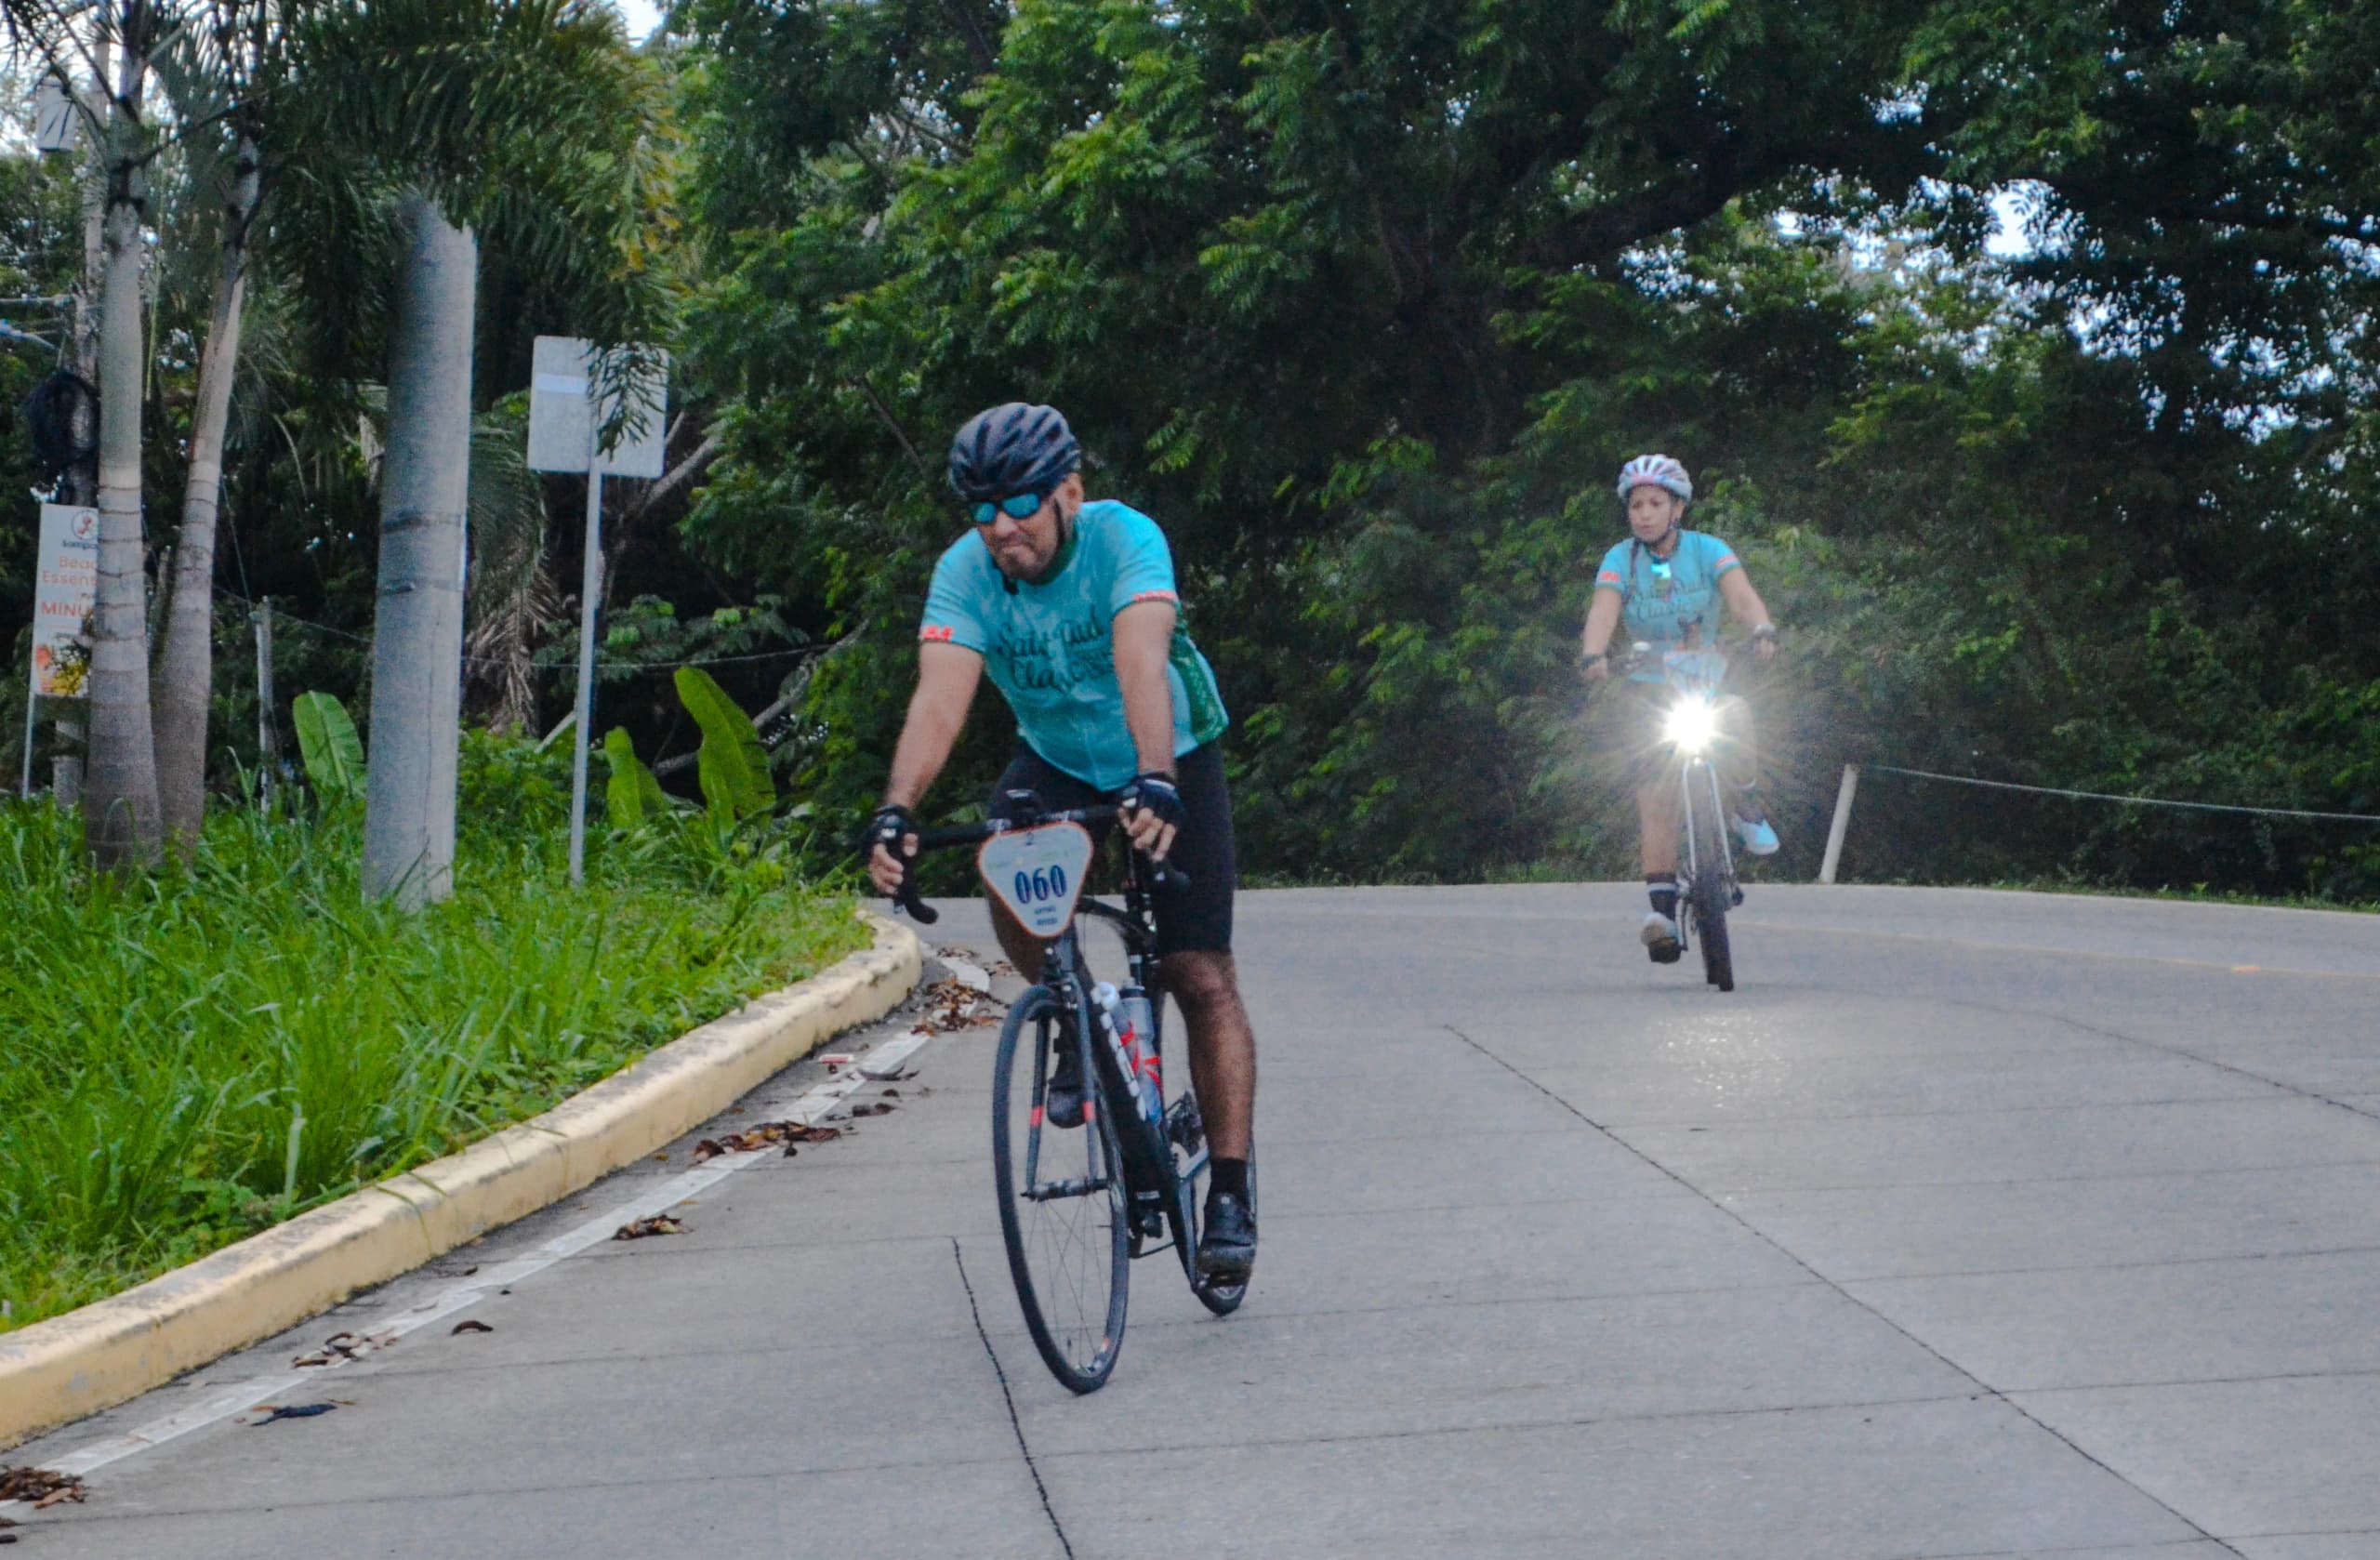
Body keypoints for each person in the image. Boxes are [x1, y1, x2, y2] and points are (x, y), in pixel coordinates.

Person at [862, 403, 1259, 1284]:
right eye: (982, 510)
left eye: (1021, 505)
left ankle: (1228, 1188)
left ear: (1069, 494)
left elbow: (1140, 665)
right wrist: (898, 808)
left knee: (1198, 973)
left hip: (1171, 750)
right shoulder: (967, 573)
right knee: (1003, 867)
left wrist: (1154, 779)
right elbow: (939, 698)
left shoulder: (1124, 541)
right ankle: (1071, 1015)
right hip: (1057, 756)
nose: (1001, 528)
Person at [1578, 454, 1780, 963]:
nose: (1644, 514)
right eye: (1636, 505)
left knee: (1736, 715)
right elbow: (1603, 610)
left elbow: (1740, 598)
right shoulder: (1619, 560)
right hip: (1649, 686)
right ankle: (1663, 914)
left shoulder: (1708, 550)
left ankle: (1746, 801)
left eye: (1655, 504)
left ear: (1677, 508)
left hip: (1705, 681)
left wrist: (1761, 629)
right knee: (1655, 793)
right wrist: (1594, 654)